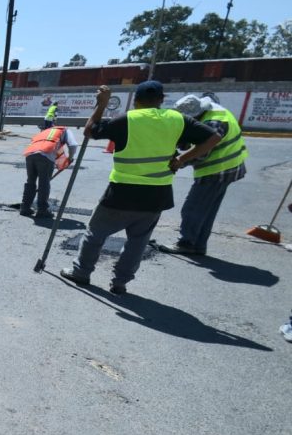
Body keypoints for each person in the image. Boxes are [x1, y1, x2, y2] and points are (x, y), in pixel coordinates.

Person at [59, 82, 221, 295]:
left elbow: (90, 131)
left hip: (121, 193)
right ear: (162, 100)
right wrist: (182, 159)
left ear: (136, 100)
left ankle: (81, 272)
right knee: (138, 241)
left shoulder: (128, 119)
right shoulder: (177, 119)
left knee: (96, 233)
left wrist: (102, 104)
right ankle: (120, 282)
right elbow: (214, 137)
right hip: (157, 194)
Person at [152, 94, 248, 256]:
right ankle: (198, 245)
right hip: (230, 167)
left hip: (217, 169)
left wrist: (179, 161)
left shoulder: (213, 123)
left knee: (192, 208)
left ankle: (186, 243)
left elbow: (201, 153)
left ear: (195, 115)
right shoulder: (214, 112)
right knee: (207, 210)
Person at [20, 123, 79, 218]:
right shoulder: (64, 130)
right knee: (44, 183)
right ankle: (42, 210)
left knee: (30, 181)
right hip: (45, 155)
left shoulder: (45, 131)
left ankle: (25, 207)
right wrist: (70, 158)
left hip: (30, 154)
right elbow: (73, 145)